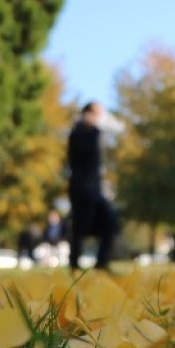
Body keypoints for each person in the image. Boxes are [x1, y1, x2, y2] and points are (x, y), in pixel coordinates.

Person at [67, 101, 118, 271]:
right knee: (80, 227)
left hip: (96, 190)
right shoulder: (78, 133)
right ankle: (74, 265)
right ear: (87, 114)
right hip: (82, 190)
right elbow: (82, 159)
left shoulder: (95, 133)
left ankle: (101, 265)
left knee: (110, 222)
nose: (100, 118)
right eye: (97, 114)